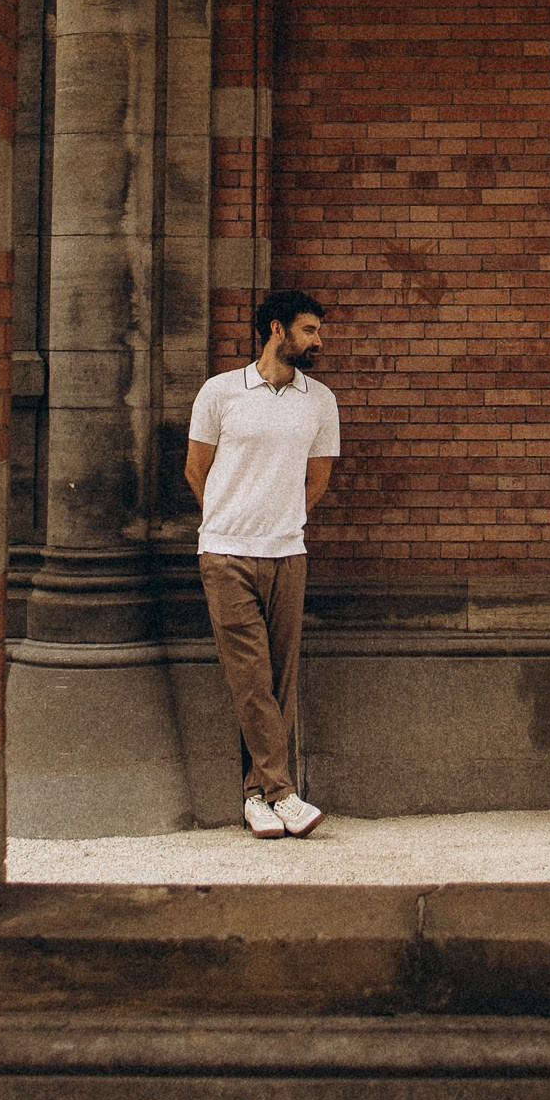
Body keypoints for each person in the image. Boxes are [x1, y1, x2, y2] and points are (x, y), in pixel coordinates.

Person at [184, 290, 337, 837]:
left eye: (318, 331)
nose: (319, 341)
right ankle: (283, 791)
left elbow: (317, 479)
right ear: (277, 330)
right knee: (250, 676)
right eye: (310, 330)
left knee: (279, 679)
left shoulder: (319, 400)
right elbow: (196, 470)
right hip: (225, 553)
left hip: (287, 552)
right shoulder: (220, 392)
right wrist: (232, 518)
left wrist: (278, 518)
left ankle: (255, 796)